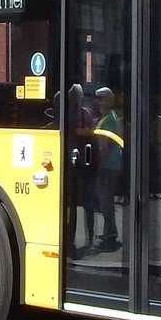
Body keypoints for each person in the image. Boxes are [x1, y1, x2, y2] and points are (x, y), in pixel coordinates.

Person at [61, 84, 98, 255]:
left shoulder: (65, 113)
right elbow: (93, 134)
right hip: (85, 163)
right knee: (85, 203)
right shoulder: (86, 114)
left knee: (72, 204)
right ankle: (89, 237)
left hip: (71, 165)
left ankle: (70, 238)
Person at [93, 87, 124, 253]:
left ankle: (110, 232)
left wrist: (97, 164)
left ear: (106, 101)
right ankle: (108, 231)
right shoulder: (109, 117)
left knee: (105, 200)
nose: (97, 102)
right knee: (106, 200)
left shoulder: (108, 120)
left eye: (99, 99)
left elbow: (104, 146)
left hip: (107, 166)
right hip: (112, 165)